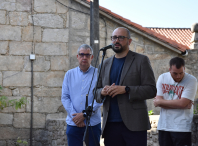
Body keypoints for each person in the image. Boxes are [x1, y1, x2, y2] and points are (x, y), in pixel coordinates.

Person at [95, 27, 157, 146]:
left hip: (135, 125)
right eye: (114, 37)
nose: (116, 40)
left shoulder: (141, 60)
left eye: (121, 37)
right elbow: (95, 92)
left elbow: (151, 90)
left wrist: (126, 89)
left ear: (129, 41)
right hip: (111, 124)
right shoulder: (104, 64)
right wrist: (102, 91)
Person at [61, 44, 102, 146]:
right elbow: (65, 97)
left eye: (87, 55)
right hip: (73, 122)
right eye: (82, 54)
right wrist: (75, 116)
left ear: (92, 57)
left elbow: (100, 98)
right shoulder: (69, 74)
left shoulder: (98, 74)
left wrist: (84, 115)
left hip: (92, 123)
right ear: (77, 56)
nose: (84, 57)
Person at [154, 57, 197, 146]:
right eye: (175, 73)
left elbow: (182, 103)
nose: (178, 76)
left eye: (181, 73)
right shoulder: (162, 77)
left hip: (182, 127)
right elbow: (158, 102)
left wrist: (161, 102)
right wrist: (182, 104)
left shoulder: (191, 80)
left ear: (184, 69)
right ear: (170, 70)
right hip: (164, 126)